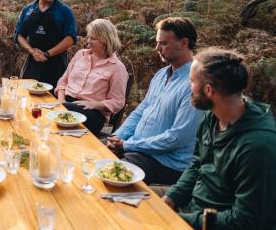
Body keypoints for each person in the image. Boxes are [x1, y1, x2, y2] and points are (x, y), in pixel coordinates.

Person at [162, 48, 276, 229]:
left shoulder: (257, 147)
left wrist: (181, 220)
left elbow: (245, 220)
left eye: (191, 81)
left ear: (209, 90)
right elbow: (197, 164)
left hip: (213, 222)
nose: (188, 86)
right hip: (193, 204)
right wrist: (172, 197)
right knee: (126, 202)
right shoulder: (212, 116)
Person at [106, 17, 203, 185]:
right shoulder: (161, 74)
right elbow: (140, 111)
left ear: (184, 43)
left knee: (111, 174)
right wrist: (117, 137)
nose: (157, 48)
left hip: (168, 163)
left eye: (163, 43)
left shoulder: (194, 84)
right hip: (137, 149)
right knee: (91, 150)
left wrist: (127, 145)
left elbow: (177, 138)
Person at [55, 19, 128, 136]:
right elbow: (63, 82)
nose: (88, 41)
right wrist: (61, 101)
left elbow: (118, 101)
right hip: (65, 103)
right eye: (88, 37)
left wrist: (95, 104)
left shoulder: (117, 68)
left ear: (106, 40)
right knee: (46, 109)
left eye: (93, 38)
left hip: (92, 113)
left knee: (49, 114)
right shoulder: (80, 55)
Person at [14, 0, 77, 90]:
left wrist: (47, 54)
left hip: (57, 67)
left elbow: (71, 38)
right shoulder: (28, 10)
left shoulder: (65, 11)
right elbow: (19, 35)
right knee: (27, 99)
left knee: (54, 104)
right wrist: (31, 51)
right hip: (32, 65)